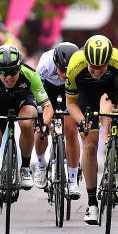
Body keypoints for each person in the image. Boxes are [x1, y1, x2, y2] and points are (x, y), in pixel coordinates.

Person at [65, 35, 118, 225]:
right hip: (86, 93)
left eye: (101, 68)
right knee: (90, 145)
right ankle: (92, 203)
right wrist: (81, 121)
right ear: (86, 61)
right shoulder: (75, 64)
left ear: (108, 62)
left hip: (114, 85)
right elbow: (71, 103)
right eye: (92, 67)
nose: (96, 72)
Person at [0, 44, 54, 215]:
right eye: (3, 72)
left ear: (19, 68)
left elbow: (47, 106)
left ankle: (24, 167)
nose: (8, 77)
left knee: (26, 122)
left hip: (23, 102)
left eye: (12, 72)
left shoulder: (30, 74)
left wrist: (44, 123)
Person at [33, 42, 81, 199]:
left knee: (71, 130)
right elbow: (35, 91)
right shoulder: (45, 64)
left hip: (69, 90)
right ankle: (41, 165)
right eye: (61, 70)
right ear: (55, 64)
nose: (64, 74)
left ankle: (73, 181)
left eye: (68, 70)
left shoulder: (80, 65)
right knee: (42, 129)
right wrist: (41, 115)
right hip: (47, 89)